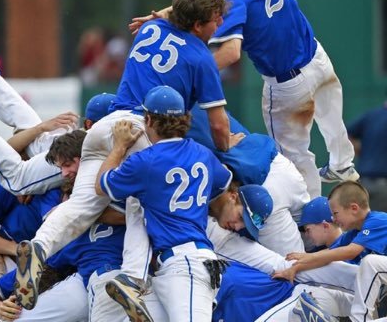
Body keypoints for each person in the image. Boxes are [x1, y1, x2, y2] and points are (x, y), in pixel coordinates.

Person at [14, 0, 242, 312]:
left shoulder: (150, 28)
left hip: (107, 125)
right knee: (141, 201)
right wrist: (227, 145)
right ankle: (132, 277)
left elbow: (172, 15)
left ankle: (38, 246)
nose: (219, 26)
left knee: (81, 206)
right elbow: (219, 125)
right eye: (215, 20)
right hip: (138, 129)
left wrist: (170, 11)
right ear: (197, 24)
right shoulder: (200, 57)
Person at [129, 0, 359, 199]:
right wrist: (164, 14)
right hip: (317, 59)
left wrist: (197, 75)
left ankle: (308, 215)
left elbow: (231, 52)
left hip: (286, 84)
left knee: (295, 157)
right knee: (331, 119)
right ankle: (342, 164)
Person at [96, 85, 233, 322]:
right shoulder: (202, 153)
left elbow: (102, 186)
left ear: (148, 119)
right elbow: (224, 181)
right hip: (177, 264)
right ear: (185, 118)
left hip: (186, 263)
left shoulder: (145, 161)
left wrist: (119, 146)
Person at [188, 104, 310, 255]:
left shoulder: (215, 176)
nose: (238, 226)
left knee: (293, 261)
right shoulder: (216, 173)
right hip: (268, 169)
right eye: (240, 218)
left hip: (263, 180)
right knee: (305, 250)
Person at [274, 181, 387, 321]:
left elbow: (351, 251)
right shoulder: (353, 233)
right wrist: (295, 268)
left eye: (335, 213)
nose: (333, 218)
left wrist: (307, 257)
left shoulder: (378, 220)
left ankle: (358, 319)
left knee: (371, 262)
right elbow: (327, 255)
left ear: (354, 208)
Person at [347, 99, 387, 211]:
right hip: (383, 186)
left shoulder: (371, 116)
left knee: (362, 224)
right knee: (380, 225)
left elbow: (345, 135)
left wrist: (360, 151)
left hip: (362, 183)